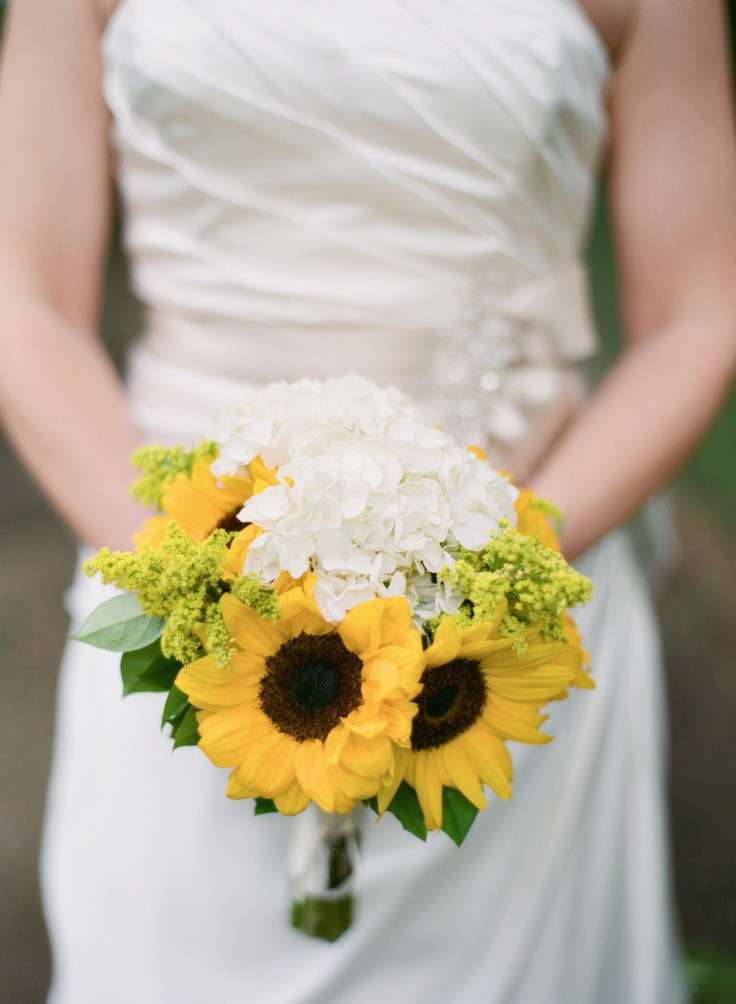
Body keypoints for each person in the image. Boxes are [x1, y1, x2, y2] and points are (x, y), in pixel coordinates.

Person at [1, 0, 735, 1000]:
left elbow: (697, 313)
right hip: (190, 618)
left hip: (509, 630)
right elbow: (24, 298)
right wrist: (186, 579)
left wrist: (496, 571)